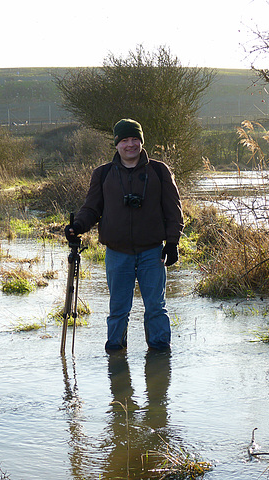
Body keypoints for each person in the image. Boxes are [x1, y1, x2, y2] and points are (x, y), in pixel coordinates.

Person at [65, 118, 184, 353]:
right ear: (116, 144)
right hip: (117, 253)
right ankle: (116, 357)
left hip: (153, 252)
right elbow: (92, 209)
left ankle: (160, 359)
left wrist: (172, 243)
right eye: (125, 140)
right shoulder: (103, 174)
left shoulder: (159, 171)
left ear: (141, 142)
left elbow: (174, 210)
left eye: (135, 139)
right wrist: (77, 226)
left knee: (156, 307)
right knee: (118, 308)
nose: (131, 144)